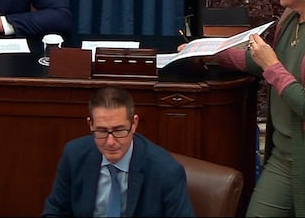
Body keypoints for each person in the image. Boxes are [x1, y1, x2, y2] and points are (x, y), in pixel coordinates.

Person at [214, 0, 305, 216]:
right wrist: (208, 53)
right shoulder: (290, 19)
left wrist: (271, 64)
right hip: (282, 157)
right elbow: (261, 61)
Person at [42, 87, 195, 217]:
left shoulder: (166, 171)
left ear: (134, 124)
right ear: (90, 124)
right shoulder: (74, 155)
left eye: (119, 130)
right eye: (101, 131)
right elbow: (55, 211)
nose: (110, 142)